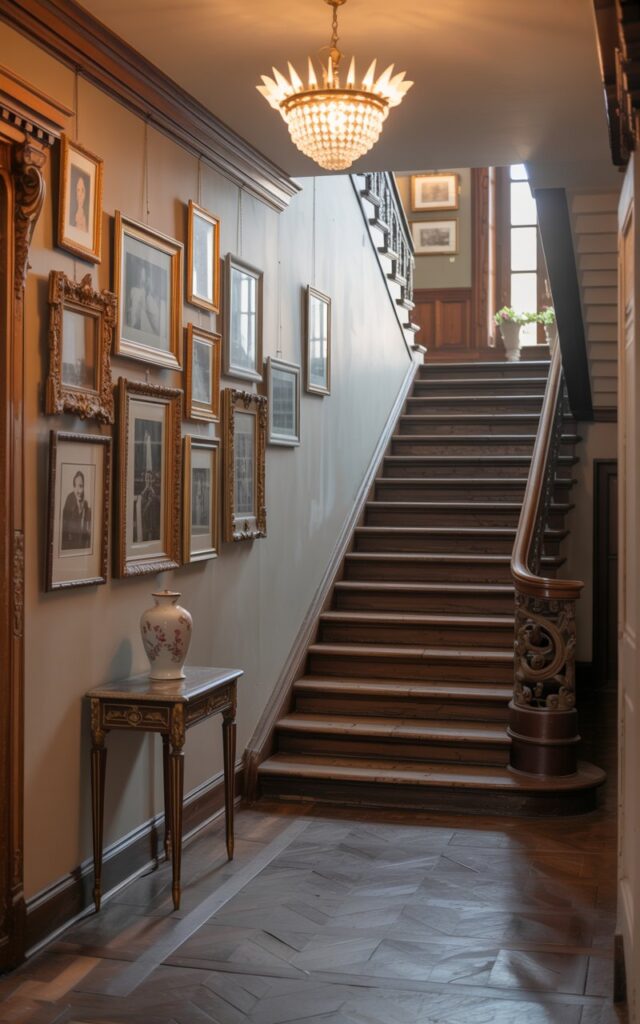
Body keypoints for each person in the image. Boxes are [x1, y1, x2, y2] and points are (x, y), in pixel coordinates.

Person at [127, 260, 161, 336]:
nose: (140, 277)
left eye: (142, 275)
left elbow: (153, 313)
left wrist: (147, 295)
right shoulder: (133, 290)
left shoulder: (147, 294)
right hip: (135, 324)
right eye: (139, 275)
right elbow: (131, 309)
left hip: (144, 325)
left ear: (145, 277)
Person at [61, 470, 91, 550]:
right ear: (73, 487)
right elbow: (64, 529)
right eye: (76, 486)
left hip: (82, 548)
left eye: (81, 486)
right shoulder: (69, 499)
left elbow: (88, 532)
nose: (78, 491)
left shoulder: (86, 504)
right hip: (70, 546)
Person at [139, 469, 160, 541]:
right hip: (145, 519)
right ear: (144, 479)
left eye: (150, 478)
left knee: (154, 536)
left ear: (153, 480)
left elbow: (158, 503)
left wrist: (152, 492)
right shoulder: (142, 491)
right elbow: (140, 504)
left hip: (153, 519)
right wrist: (145, 489)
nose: (148, 481)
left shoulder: (156, 490)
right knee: (145, 536)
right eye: (147, 478)